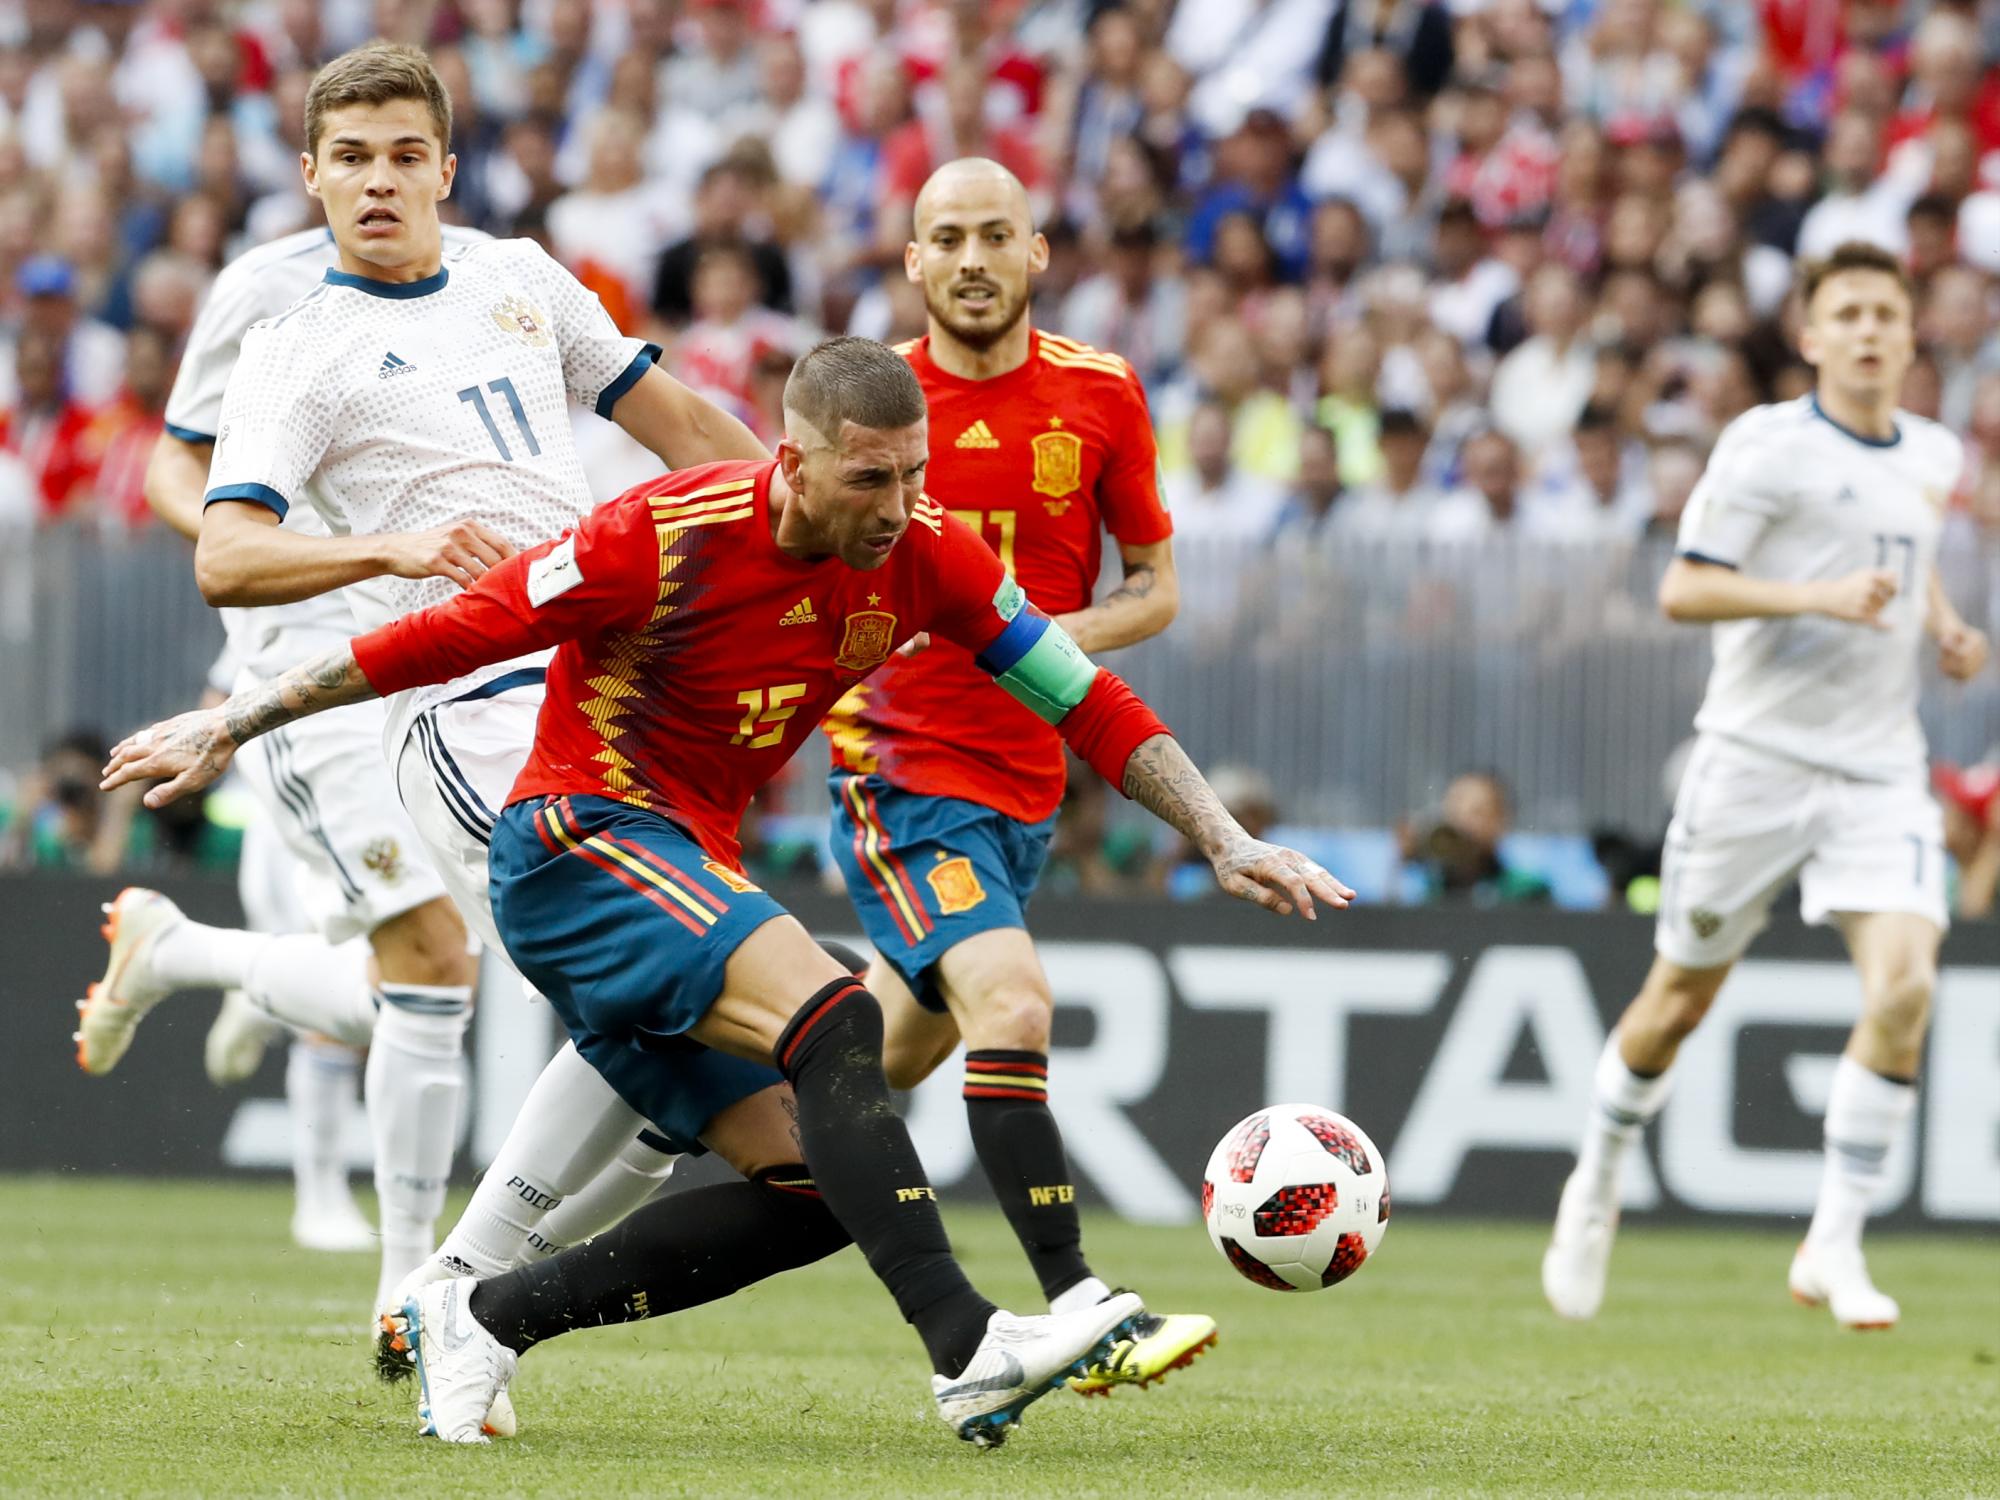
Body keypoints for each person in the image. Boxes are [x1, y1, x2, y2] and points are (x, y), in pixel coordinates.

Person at [101, 336, 1354, 1446]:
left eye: (914, 475)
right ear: (793, 461)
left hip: (680, 870)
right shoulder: (656, 535)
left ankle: (482, 1317)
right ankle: (970, 1352)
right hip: (574, 845)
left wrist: (1220, 835)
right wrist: (236, 721)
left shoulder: (925, 555)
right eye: (871, 477)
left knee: (813, 1193)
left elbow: (1081, 695)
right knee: (840, 1017)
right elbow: (438, 636)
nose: (900, 505)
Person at [71, 45, 793, 1389]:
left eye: (406, 154)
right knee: (477, 973)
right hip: (433, 700)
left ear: (448, 169)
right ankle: (434, 1278)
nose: (381, 180)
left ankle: (448, 1292)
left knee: (640, 1039)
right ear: (310, 178)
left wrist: (808, 525)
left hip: (602, 690)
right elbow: (223, 548)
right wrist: (392, 549)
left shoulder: (522, 281)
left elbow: (682, 418)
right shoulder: (286, 332)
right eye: (352, 158)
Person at [1542, 242, 1991, 1331]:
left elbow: (1908, 549)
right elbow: (1682, 589)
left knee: (1902, 990)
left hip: (1878, 763)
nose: (1871, 330)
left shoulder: (1929, 453)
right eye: (1847, 313)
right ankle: (1595, 1173)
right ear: (1809, 336)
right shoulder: (1765, 447)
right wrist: (1815, 596)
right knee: (1675, 1004)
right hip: (1750, 757)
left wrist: (1939, 626)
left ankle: (1832, 1243)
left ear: (1908, 331)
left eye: (1886, 311)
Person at [820, 157, 1211, 1395]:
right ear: (914, 261)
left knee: (856, 1079)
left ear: (1038, 252)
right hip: (899, 764)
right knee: (1016, 1007)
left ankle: (655, 1108)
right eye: (949, 238)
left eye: (997, 235)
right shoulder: (872, 400)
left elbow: (1152, 588)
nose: (974, 258)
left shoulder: (1100, 394)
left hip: (1024, 783)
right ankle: (1080, 1302)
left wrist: (1037, 641)